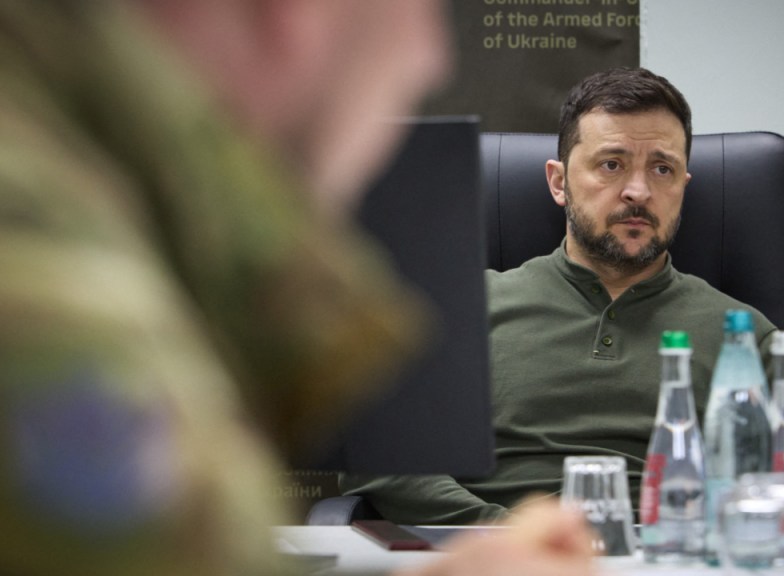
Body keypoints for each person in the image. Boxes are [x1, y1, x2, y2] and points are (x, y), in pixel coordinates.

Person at [0, 1, 595, 575]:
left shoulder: (70, 174)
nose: (434, 57)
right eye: (418, 17)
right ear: (293, 11)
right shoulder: (48, 271)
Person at [342, 67, 777, 525]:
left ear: (682, 187)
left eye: (662, 169)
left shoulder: (745, 339)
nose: (638, 191)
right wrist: (501, 532)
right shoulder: (463, 310)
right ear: (558, 182)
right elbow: (385, 462)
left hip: (667, 551)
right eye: (611, 164)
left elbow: (771, 493)